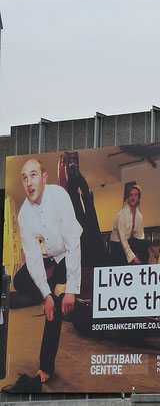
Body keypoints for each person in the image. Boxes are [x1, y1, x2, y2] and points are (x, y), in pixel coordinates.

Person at [9, 159, 83, 391]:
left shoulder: (59, 196)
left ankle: (46, 369)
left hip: (65, 256)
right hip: (46, 259)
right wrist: (46, 295)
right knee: (19, 280)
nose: (29, 182)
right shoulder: (24, 215)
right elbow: (31, 257)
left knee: (56, 312)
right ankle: (51, 291)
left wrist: (70, 288)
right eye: (24, 177)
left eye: (33, 175)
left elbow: (72, 242)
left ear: (45, 177)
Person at [109, 184, 149, 265]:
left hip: (128, 241)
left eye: (135, 195)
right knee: (122, 256)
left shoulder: (139, 216)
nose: (133, 197)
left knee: (144, 244)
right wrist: (133, 257)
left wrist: (139, 255)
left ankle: (143, 268)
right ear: (128, 198)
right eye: (131, 195)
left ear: (139, 198)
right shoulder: (121, 215)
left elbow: (140, 237)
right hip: (117, 244)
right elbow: (122, 240)